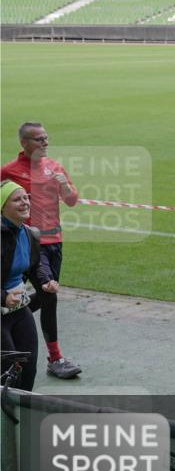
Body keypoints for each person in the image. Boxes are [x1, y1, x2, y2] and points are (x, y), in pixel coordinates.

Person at [1, 122, 81, 379]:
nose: (45, 143)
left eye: (46, 138)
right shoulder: (9, 171)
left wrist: (64, 186)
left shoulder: (55, 167)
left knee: (47, 296)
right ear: (24, 143)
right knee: (42, 295)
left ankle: (12, 314)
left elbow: (71, 201)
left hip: (52, 242)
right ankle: (56, 358)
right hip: (22, 243)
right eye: (39, 139)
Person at [2, 181, 58, 391]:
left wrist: (45, 282)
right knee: (7, 372)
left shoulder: (30, 233)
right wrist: (3, 297)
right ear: (2, 207)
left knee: (28, 368)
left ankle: (23, 410)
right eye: (17, 199)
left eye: (26, 197)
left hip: (18, 309)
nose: (25, 202)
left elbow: (35, 266)